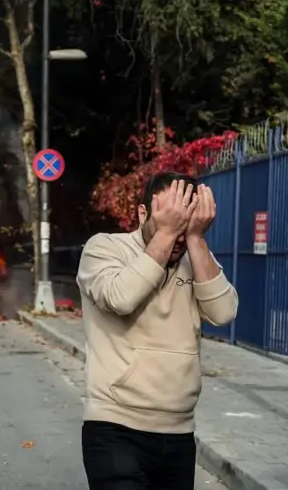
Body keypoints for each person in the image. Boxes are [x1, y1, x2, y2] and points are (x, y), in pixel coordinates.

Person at [76, 173, 239, 490]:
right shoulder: (105, 248)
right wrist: (168, 232)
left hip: (179, 433)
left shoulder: (196, 257)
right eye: (169, 217)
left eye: (186, 221)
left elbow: (224, 313)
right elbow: (120, 297)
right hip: (114, 426)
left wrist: (196, 240)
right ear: (141, 214)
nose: (177, 233)